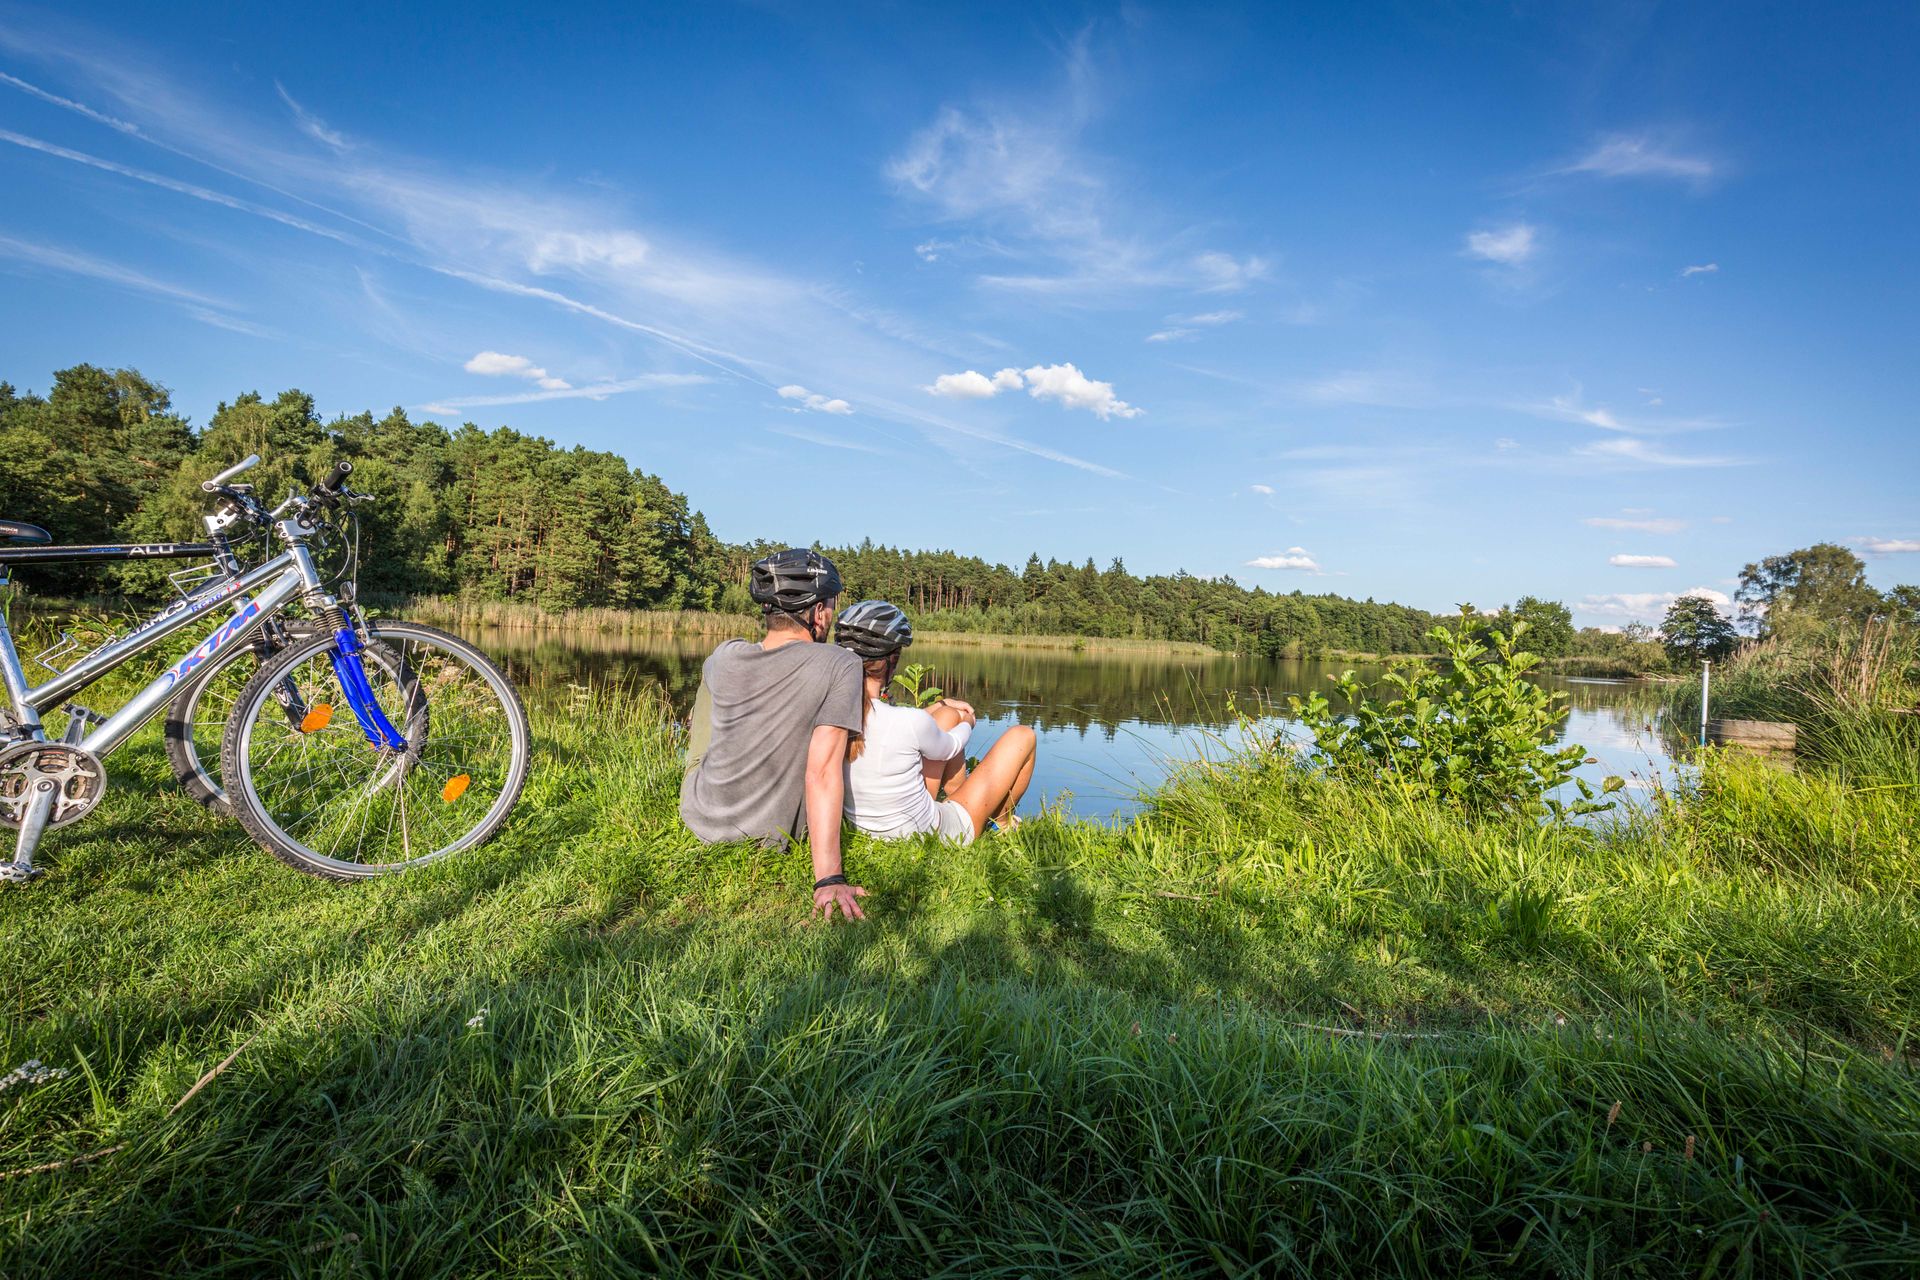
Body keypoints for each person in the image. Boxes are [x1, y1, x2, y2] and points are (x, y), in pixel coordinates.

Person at [679, 548, 869, 921]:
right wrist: (828, 877)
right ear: (817, 612)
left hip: (699, 815)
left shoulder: (723, 656)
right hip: (768, 835)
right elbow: (822, 772)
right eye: (830, 605)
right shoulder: (842, 664)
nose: (830, 615)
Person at [834, 600, 1036, 844]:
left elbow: (901, 722)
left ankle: (960, 798)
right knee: (1024, 736)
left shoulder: (833, 713)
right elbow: (950, 745)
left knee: (948, 715)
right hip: (931, 834)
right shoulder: (909, 721)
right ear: (892, 659)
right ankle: (1002, 824)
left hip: (868, 829)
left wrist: (941, 706)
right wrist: (968, 721)